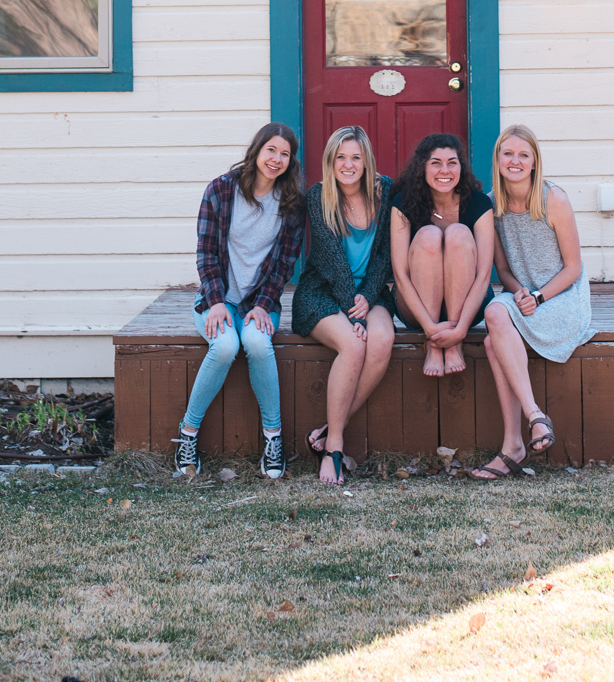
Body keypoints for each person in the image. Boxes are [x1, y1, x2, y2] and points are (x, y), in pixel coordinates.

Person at [176, 123, 307, 480]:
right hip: (217, 300)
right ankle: (187, 434)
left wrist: (263, 305)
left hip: (259, 303)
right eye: (271, 150)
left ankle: (273, 439)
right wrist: (216, 301)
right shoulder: (221, 190)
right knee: (223, 347)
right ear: (257, 151)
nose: (277, 159)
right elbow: (206, 252)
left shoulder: (292, 204)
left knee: (257, 345)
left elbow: (284, 265)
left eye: (285, 154)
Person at [473, 123, 592, 478]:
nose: (515, 161)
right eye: (507, 153)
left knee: (494, 331)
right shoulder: (491, 206)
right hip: (522, 298)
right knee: (494, 324)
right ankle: (530, 424)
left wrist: (538, 296)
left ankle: (520, 436)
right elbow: (504, 269)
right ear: (497, 159)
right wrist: (518, 290)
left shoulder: (553, 199)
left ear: (535, 162)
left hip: (562, 298)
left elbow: (574, 268)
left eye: (523, 155)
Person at [292, 125, 396, 485]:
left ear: (366, 161)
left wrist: (367, 299)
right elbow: (333, 260)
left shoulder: (386, 192)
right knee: (354, 345)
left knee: (382, 340)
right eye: (341, 157)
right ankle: (333, 447)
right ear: (330, 161)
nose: (348, 165)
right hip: (322, 293)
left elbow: (384, 255)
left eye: (355, 157)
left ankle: (327, 427)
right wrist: (353, 309)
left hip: (371, 292)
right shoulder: (318, 197)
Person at [389, 132, 494, 378]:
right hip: (416, 309)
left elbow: (484, 275)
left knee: (458, 233)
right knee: (428, 235)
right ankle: (434, 348)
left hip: (469, 307)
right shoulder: (403, 203)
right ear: (422, 168)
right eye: (435, 162)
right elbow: (400, 275)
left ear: (461, 168)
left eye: (452, 162)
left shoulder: (479, 204)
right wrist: (430, 330)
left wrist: (460, 332)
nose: (444, 170)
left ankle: (454, 344)